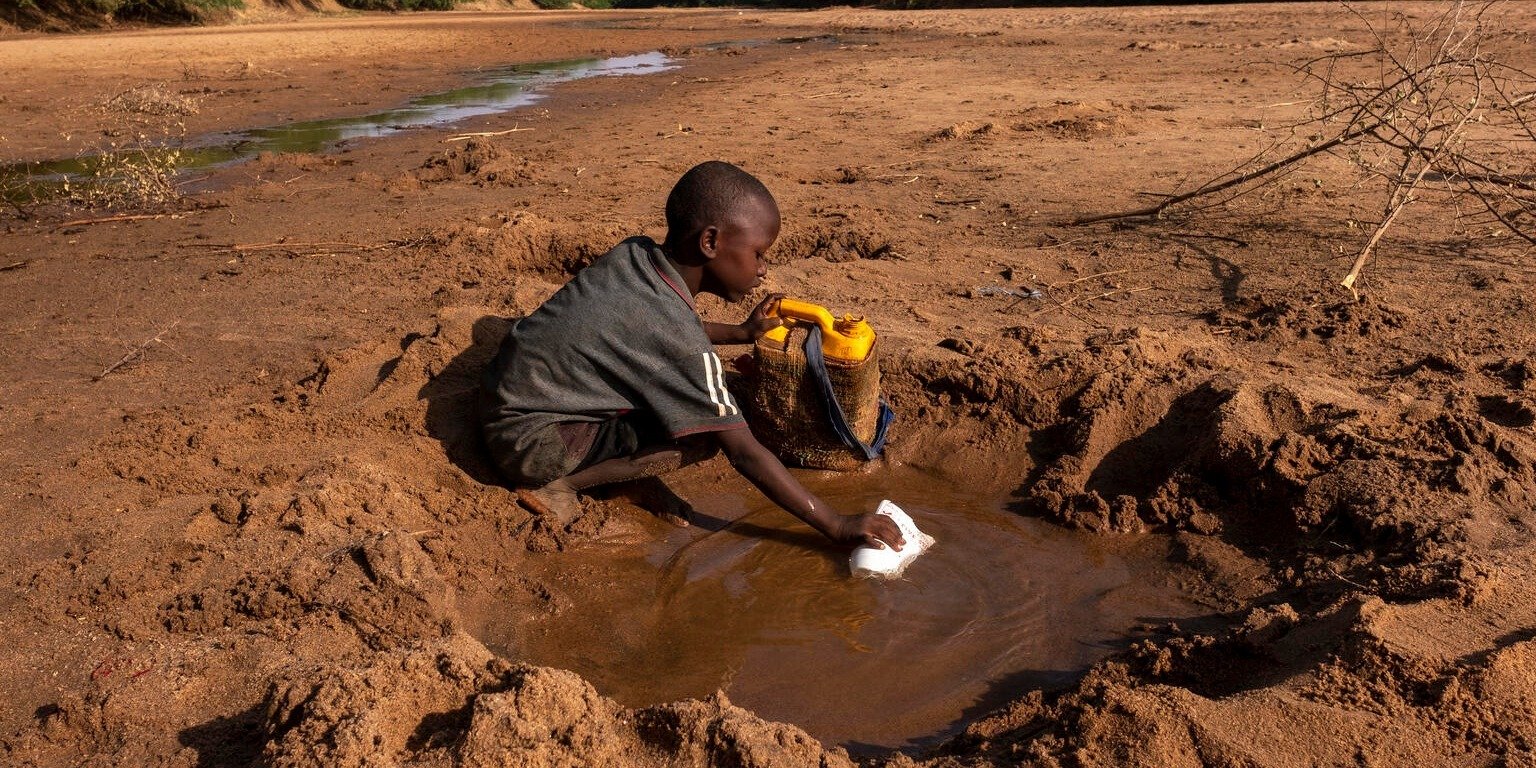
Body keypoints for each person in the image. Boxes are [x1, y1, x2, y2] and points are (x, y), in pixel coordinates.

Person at [479, 160, 903, 551]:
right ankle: (563, 484)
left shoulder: (636, 256)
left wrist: (739, 333)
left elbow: (648, 333)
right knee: (705, 431)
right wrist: (836, 523)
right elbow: (743, 451)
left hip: (509, 403)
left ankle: (618, 476)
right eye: (758, 253)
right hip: (531, 445)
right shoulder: (676, 334)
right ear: (710, 241)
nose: (763, 269)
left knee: (687, 397)